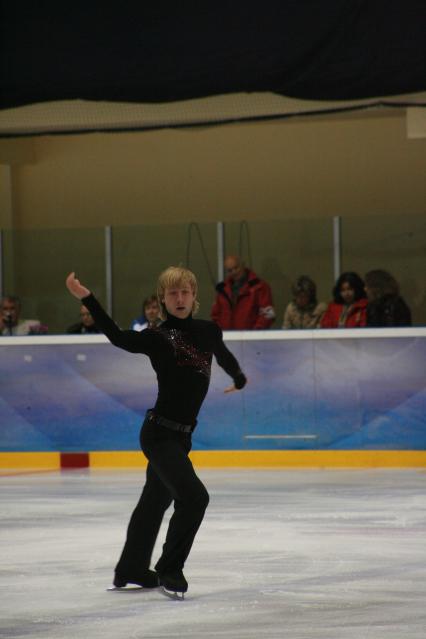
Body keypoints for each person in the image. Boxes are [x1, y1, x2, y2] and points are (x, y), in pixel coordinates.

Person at [65, 266, 247, 598]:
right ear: (163, 300)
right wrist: (88, 299)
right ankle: (169, 568)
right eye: (172, 293)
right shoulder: (157, 337)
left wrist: (238, 377)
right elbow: (118, 336)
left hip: (181, 437)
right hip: (159, 435)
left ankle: (131, 568)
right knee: (194, 497)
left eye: (185, 292)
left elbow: (222, 357)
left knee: (154, 502)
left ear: (194, 296)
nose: (180, 298)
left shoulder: (209, 331)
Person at [211, 255, 275, 329]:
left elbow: (268, 314)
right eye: (230, 270)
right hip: (226, 338)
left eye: (236, 268)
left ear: (243, 265)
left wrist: (256, 333)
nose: (234, 272)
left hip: (253, 338)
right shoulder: (222, 290)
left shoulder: (260, 287)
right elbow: (215, 316)